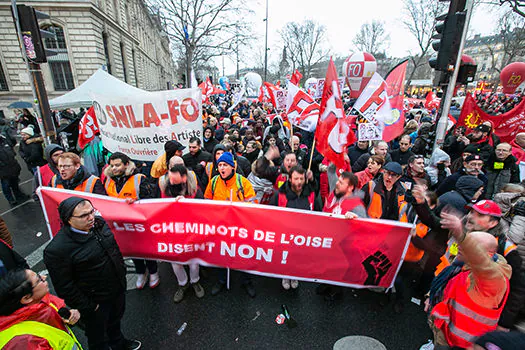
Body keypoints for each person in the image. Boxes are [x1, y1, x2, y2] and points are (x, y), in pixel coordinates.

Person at [43, 197, 141, 350]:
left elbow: (113, 251)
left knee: (115, 322)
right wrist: (89, 306)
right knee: (97, 337)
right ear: (68, 219)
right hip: (95, 303)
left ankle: (118, 343)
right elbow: (64, 286)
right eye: (83, 216)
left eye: (91, 212)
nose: (91, 218)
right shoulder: (57, 250)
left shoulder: (99, 225)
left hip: (116, 289)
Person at [425, 212, 511, 349]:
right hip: (445, 333)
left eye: (469, 246)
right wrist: (431, 297)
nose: (460, 246)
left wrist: (461, 234)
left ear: (485, 254)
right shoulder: (463, 265)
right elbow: (448, 284)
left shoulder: (493, 279)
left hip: (463, 345)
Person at [104, 152, 159, 290]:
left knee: (146, 249)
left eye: (117, 165)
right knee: (132, 249)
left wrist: (136, 202)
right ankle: (141, 271)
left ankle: (153, 271)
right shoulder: (109, 180)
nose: (114, 168)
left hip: (139, 223)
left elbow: (151, 200)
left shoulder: (139, 179)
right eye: (112, 165)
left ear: (126, 164)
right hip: (120, 224)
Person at [204, 152, 257, 297]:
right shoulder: (214, 181)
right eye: (220, 165)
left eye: (225, 165)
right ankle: (221, 280)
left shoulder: (243, 182)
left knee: (243, 255)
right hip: (220, 227)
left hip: (240, 228)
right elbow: (207, 201)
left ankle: (246, 281)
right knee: (221, 254)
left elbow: (253, 205)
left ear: (232, 167)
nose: (222, 168)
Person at [0, 269, 82, 349]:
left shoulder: (40, 302)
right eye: (39, 279)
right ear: (26, 298)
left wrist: (70, 316)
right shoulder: (23, 341)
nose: (44, 277)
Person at [270, 166, 323, 290]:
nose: (299, 182)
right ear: (289, 179)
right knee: (285, 256)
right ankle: (285, 275)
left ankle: (294, 275)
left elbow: (318, 212)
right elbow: (271, 214)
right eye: (296, 179)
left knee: (297, 257)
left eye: (301, 179)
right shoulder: (280, 194)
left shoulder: (310, 194)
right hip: (285, 234)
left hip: (302, 235)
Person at [159, 163, 205, 303]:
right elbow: (157, 207)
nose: (171, 182)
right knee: (175, 261)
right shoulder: (165, 188)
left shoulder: (195, 191)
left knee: (193, 260)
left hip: (191, 231)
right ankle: (182, 284)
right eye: (170, 179)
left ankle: (195, 281)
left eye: (174, 179)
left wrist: (187, 206)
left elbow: (203, 211)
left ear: (184, 178)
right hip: (173, 231)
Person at [318, 171, 367, 300]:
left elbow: (365, 227)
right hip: (329, 240)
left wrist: (356, 219)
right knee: (326, 266)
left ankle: (336, 292)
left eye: (341, 182)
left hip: (342, 246)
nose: (337, 184)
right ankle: (326, 284)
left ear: (350, 188)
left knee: (337, 269)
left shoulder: (357, 206)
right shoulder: (335, 195)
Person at [0, 135, 28, 206]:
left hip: (12, 166)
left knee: (14, 183)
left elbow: (12, 147)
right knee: (6, 185)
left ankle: (18, 195)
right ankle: (10, 199)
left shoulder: (4, 140)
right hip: (3, 170)